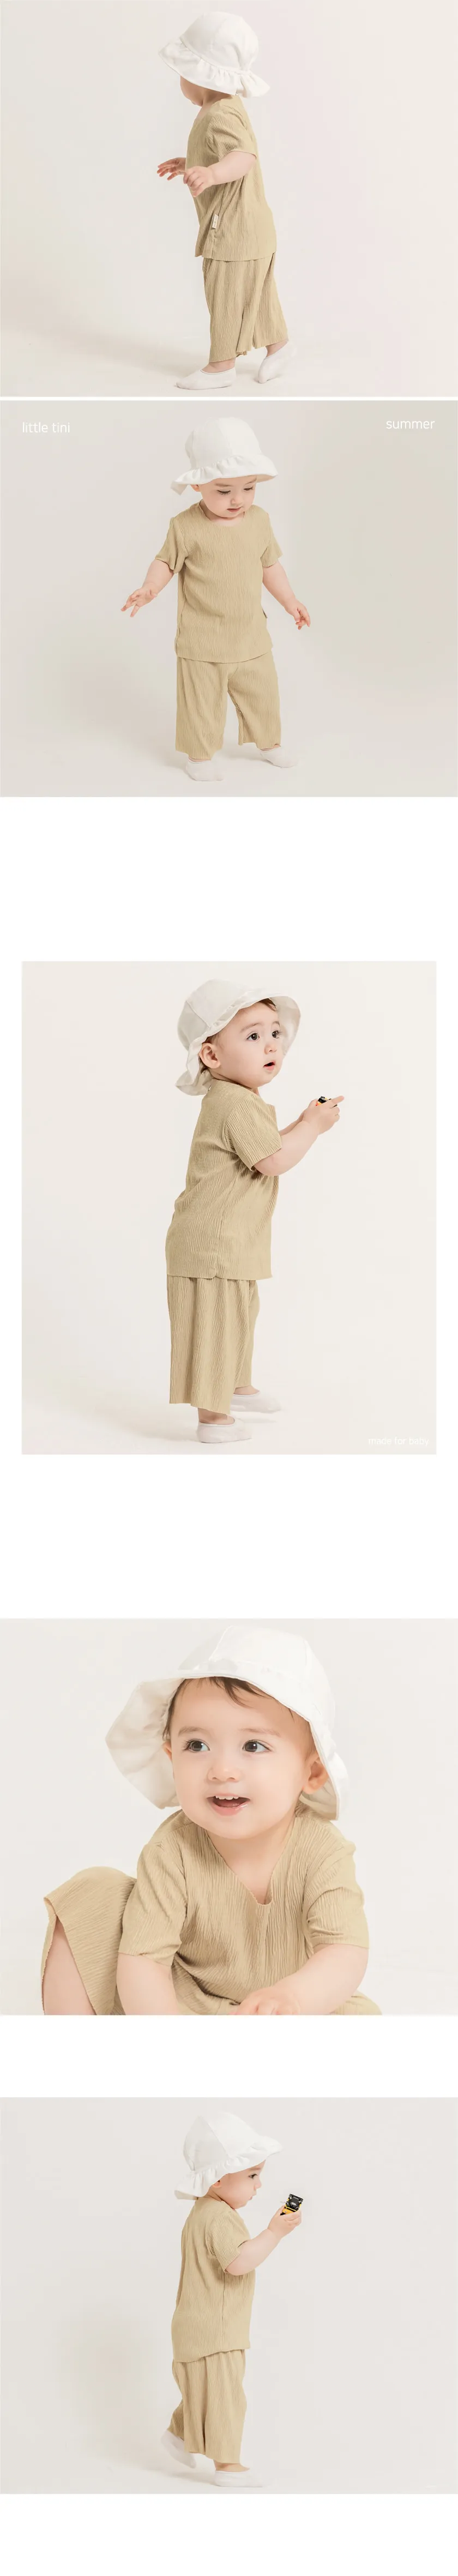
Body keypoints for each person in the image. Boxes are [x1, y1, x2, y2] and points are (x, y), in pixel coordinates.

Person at [41, 1623, 379, 2015]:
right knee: (94, 1892)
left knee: (360, 2018)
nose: (222, 1770)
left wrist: (295, 1997)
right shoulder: (174, 1850)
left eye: (254, 1745)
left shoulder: (322, 1850)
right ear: (171, 1758)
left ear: (313, 1772)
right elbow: (145, 1962)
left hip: (288, 2004)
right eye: (197, 1745)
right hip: (183, 2001)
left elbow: (344, 1950)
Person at [165, 977, 342, 1442]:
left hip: (231, 1241)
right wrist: (314, 1129)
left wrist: (303, 1120)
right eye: (253, 1035)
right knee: (215, 1327)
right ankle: (213, 1420)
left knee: (238, 1316)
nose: (271, 1045)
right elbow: (273, 1160)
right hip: (213, 1244)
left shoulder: (241, 1100)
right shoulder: (235, 1104)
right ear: (211, 1055)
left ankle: (236, 1385)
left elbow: (265, 1146)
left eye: (275, 1033)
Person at [122, 418, 310, 784]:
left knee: (263, 694)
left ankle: (270, 744)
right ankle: (199, 757)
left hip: (250, 635)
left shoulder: (259, 521)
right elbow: (166, 562)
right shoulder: (186, 526)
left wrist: (290, 601)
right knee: (201, 703)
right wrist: (150, 587)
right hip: (202, 639)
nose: (238, 500)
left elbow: (270, 565)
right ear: (198, 484)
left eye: (249, 488)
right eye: (223, 491)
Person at [163, 2109, 296, 2488]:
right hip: (217, 2331)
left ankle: (178, 2435)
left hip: (195, 2326)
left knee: (202, 2390)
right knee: (225, 2397)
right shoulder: (220, 2217)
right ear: (219, 2178)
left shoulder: (201, 2212)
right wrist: (274, 2232)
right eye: (252, 2175)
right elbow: (238, 2263)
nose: (259, 2185)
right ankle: (227, 2466)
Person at [158, 13, 291, 389]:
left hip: (233, 231)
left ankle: (222, 367)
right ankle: (280, 348)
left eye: (183, 73)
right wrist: (193, 164)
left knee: (227, 295)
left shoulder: (220, 114)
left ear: (202, 75)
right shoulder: (225, 107)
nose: (181, 81)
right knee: (257, 294)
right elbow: (223, 152)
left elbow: (243, 156)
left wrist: (213, 174)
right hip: (252, 227)